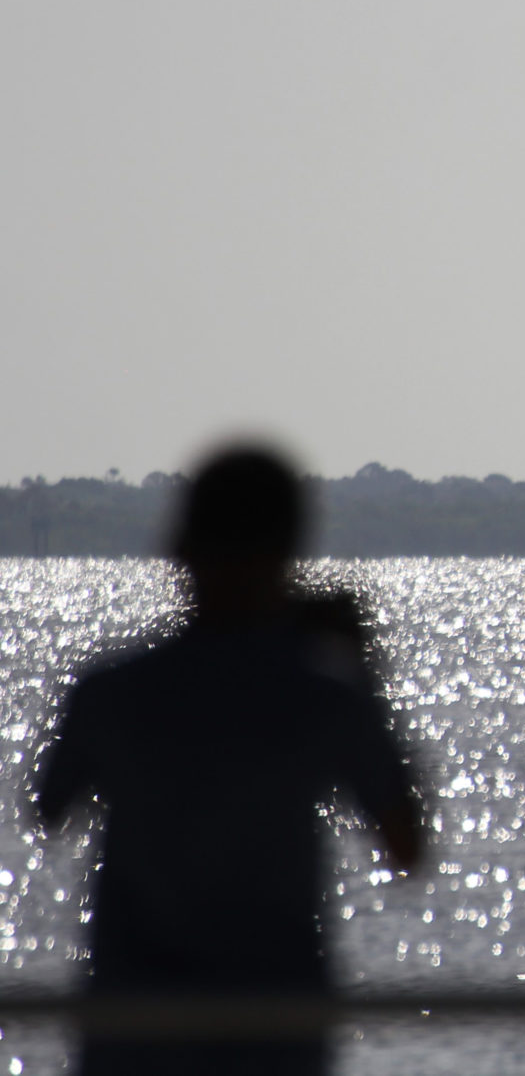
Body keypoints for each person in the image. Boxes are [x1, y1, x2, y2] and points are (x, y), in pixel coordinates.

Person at [35, 446, 425, 1076]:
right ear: (291, 551)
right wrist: (357, 666)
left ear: (181, 547)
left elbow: (50, 810)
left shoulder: (110, 693)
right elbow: (407, 848)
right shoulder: (326, 695)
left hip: (134, 1033)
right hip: (275, 1033)